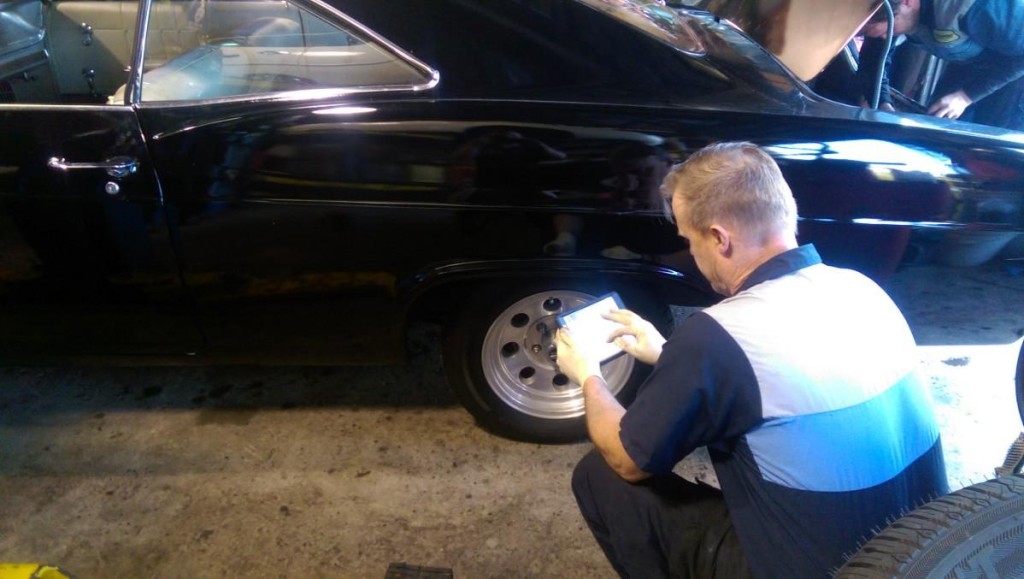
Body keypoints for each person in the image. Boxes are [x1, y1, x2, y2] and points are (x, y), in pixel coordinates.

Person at [555, 142, 949, 578]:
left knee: (600, 476)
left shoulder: (720, 334)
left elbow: (628, 460)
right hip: (932, 553)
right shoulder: (862, 289)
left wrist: (588, 373)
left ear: (719, 238)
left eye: (689, 240)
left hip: (832, 570)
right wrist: (667, 353)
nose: (692, 255)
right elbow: (784, 376)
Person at [858, 0, 1024, 129]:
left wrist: (965, 96)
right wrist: (881, 103)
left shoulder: (976, 6)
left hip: (1015, 73)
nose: (883, 37)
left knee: (996, 151)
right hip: (970, 64)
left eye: (889, 30)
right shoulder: (888, 10)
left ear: (907, 1)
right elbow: (873, 60)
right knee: (937, 133)